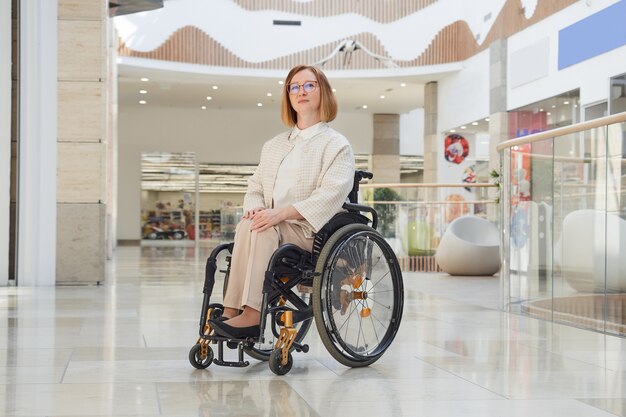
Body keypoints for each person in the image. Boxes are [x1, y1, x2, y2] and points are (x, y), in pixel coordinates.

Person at [209, 65, 355, 339]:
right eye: (294, 87)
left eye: (309, 85)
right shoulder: (274, 145)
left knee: (262, 228)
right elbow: (255, 185)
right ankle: (231, 310)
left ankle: (252, 315)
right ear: (288, 96)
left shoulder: (336, 145)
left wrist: (281, 214)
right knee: (247, 225)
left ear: (322, 91)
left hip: (310, 232)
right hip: (272, 225)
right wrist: (255, 208)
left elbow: (331, 195)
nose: (301, 92)